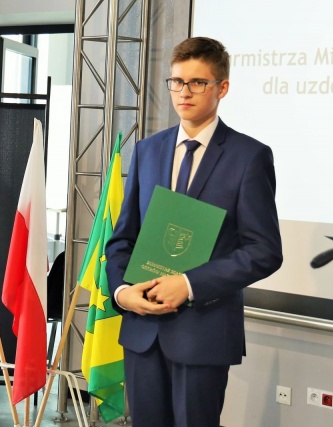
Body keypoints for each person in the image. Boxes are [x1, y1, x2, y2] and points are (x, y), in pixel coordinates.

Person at [105, 37, 283, 427]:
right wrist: (121, 292)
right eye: (177, 82)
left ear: (222, 87)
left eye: (197, 83)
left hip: (204, 331)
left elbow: (264, 250)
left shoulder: (249, 156)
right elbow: (122, 239)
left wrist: (188, 284)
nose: (184, 92)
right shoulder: (148, 150)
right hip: (142, 329)